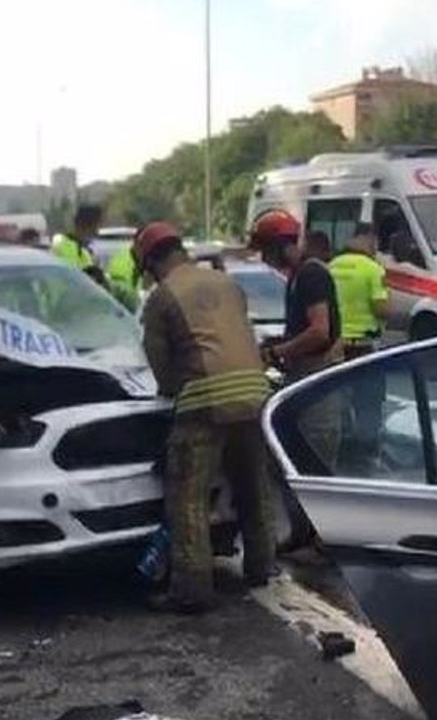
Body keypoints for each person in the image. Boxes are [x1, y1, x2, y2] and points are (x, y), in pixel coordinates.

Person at [134, 221, 275, 613]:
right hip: (255, 393)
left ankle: (192, 590)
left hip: (205, 401)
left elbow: (161, 367)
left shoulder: (162, 298)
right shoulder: (227, 283)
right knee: (253, 487)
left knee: (188, 498)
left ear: (150, 264)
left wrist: (170, 391)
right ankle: (263, 567)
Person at [249, 210, 343, 469]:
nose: (264, 259)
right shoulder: (297, 276)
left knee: (313, 464)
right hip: (304, 380)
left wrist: (276, 352)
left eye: (265, 250)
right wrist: (279, 342)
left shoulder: (311, 274)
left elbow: (319, 331)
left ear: (279, 246)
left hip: (318, 384)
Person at [328, 224, 391, 457]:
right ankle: (366, 450)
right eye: (375, 243)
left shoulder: (331, 266)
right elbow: (382, 308)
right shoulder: (373, 269)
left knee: (337, 398)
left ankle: (341, 446)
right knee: (369, 401)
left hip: (336, 347)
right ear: (370, 239)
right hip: (364, 348)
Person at [51, 205, 102, 272]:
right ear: (86, 227)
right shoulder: (66, 248)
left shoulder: (83, 252)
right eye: (95, 228)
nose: (96, 233)